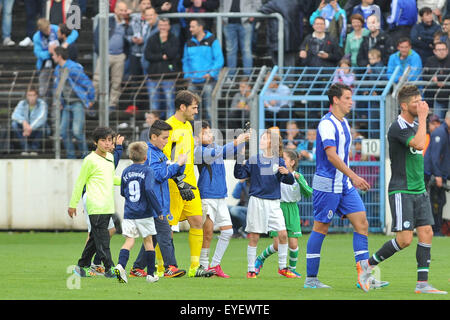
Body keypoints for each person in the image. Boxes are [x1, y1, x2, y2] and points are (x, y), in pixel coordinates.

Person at [367, 85, 447, 294]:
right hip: (402, 189)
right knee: (404, 240)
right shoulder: (398, 127)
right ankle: (367, 266)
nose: (420, 104)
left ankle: (422, 284)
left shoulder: (414, 125)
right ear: (403, 105)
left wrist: (420, 120)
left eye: (421, 100)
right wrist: (423, 118)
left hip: (419, 189)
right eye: (415, 102)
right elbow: (420, 145)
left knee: (427, 232)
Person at [304, 83, 376, 292]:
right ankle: (311, 279)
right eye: (347, 98)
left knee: (362, 223)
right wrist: (354, 176)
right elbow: (331, 155)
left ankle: (365, 277)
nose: (350, 102)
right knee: (321, 228)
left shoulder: (344, 123)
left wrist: (349, 178)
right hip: (327, 184)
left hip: (343, 183)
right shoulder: (326, 124)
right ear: (335, 100)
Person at [163, 90, 215, 277]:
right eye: (194, 108)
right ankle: (163, 268)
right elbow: (165, 158)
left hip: (190, 184)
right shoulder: (167, 127)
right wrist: (177, 180)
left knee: (196, 221)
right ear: (182, 107)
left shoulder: (188, 127)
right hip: (173, 185)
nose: (196, 111)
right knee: (167, 228)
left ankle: (194, 268)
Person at [234, 127, 296, 279]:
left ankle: (282, 267)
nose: (260, 141)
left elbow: (289, 181)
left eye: (264, 138)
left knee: (282, 234)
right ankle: (251, 270)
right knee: (254, 236)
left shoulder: (279, 160)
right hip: (257, 202)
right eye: (261, 138)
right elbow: (239, 174)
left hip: (274, 203)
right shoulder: (254, 159)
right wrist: (239, 159)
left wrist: (287, 173)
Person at [129, 120, 187, 279]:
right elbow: (160, 175)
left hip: (159, 202)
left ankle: (137, 268)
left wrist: (179, 165)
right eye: (164, 138)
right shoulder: (150, 154)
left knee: (154, 236)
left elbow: (169, 171)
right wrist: (177, 164)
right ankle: (170, 267)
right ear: (153, 136)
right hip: (154, 203)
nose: (166, 141)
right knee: (165, 234)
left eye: (168, 138)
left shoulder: (160, 153)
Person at [195, 120, 250, 277]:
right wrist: (239, 139)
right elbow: (223, 150)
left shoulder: (216, 148)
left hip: (220, 197)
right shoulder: (199, 151)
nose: (210, 135)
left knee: (227, 232)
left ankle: (215, 265)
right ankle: (203, 266)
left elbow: (231, 151)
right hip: (207, 196)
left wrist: (244, 141)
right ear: (197, 138)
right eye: (205, 133)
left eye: (210, 132)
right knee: (208, 233)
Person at [69, 127, 120, 279]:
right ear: (95, 142)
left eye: (109, 140)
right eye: (103, 140)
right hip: (95, 205)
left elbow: (112, 179)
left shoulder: (110, 158)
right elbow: (80, 183)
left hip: (107, 205)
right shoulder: (89, 160)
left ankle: (80, 267)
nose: (106, 143)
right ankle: (109, 268)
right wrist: (73, 204)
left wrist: (127, 179)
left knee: (94, 239)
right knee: (103, 239)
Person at [254, 149, 313, 278]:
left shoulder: (298, 176)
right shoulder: (276, 174)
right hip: (277, 207)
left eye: (284, 159)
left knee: (293, 244)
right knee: (277, 245)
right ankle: (260, 259)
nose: (280, 161)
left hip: (292, 210)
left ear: (292, 162)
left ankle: (290, 270)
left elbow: (308, 192)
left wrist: (299, 180)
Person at [113, 141, 164, 284]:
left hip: (129, 212)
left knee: (129, 241)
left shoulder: (126, 171)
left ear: (130, 156)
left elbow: (123, 192)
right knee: (148, 241)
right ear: (145, 157)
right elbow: (149, 190)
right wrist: (158, 209)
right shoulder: (148, 170)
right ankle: (150, 275)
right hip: (144, 213)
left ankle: (120, 266)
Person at [52, 46, 95, 159]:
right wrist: (59, 101)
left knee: (77, 131)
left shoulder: (73, 68)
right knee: (63, 131)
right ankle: (71, 155)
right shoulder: (58, 69)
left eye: (54, 55)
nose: (52, 57)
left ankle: (86, 156)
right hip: (66, 104)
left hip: (77, 103)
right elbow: (57, 87)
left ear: (59, 56)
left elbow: (86, 82)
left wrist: (91, 99)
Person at [93, 0, 133, 112]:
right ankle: (91, 102)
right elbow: (97, 36)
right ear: (115, 10)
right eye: (121, 10)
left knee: (117, 82)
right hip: (106, 54)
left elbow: (130, 38)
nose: (123, 12)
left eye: (125, 10)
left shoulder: (128, 24)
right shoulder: (107, 20)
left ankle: (112, 104)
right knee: (97, 80)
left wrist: (125, 54)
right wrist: (101, 51)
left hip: (119, 56)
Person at [182, 18, 224, 121]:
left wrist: (211, 74)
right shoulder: (189, 42)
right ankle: (195, 135)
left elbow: (219, 59)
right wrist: (188, 76)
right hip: (193, 81)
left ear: (200, 27)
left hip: (208, 81)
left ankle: (211, 135)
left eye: (192, 26)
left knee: (209, 109)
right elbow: (185, 60)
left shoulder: (212, 40)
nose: (190, 29)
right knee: (192, 112)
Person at [33, 18, 79, 103]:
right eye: (45, 30)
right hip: (45, 63)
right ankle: (44, 110)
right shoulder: (36, 37)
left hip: (59, 61)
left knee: (57, 87)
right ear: (40, 29)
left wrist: (66, 43)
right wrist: (49, 52)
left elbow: (74, 33)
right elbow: (38, 53)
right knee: (43, 89)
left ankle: (56, 110)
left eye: (48, 28)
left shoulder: (55, 28)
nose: (48, 31)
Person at [144, 17, 180, 119]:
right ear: (158, 26)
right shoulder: (152, 38)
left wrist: (164, 42)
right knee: (154, 103)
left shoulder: (173, 38)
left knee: (169, 102)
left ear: (169, 26)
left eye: (165, 25)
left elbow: (172, 54)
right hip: (153, 75)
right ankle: (155, 127)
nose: (163, 27)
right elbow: (148, 55)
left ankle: (170, 126)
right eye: (161, 25)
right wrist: (162, 56)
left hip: (168, 76)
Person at [424, 111, 450, 237]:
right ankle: (435, 230)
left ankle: (436, 229)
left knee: (440, 201)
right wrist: (438, 175)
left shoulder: (446, 133)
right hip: (432, 174)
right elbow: (435, 157)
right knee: (436, 201)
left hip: (438, 173)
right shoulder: (440, 133)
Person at [220, 0, 261, 77]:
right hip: (228, 23)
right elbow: (221, 4)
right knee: (230, 51)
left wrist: (252, 15)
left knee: (246, 50)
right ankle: (231, 77)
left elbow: (257, 3)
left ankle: (247, 76)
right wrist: (223, 16)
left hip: (245, 22)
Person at [258, 0, 304, 67]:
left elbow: (262, 10)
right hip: (292, 39)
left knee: (277, 67)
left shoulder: (274, 3)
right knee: (289, 66)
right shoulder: (295, 2)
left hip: (277, 39)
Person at [11, 87, 48, 156]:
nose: (31, 97)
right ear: (26, 96)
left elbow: (42, 118)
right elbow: (14, 115)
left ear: (37, 96)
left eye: (33, 95)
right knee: (14, 124)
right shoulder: (22, 103)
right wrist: (24, 122)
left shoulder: (42, 103)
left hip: (35, 130)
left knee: (43, 125)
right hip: (25, 130)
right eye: (29, 95)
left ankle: (34, 148)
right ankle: (25, 148)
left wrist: (30, 127)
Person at [423, 42, 450, 120]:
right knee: (437, 121)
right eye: (439, 49)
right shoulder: (430, 60)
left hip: (448, 94)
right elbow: (424, 75)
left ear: (447, 50)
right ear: (434, 51)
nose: (441, 52)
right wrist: (432, 79)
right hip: (437, 97)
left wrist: (443, 81)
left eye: (443, 49)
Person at [128, 0, 152, 78]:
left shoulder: (154, 19)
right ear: (139, 5)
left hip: (148, 54)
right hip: (135, 53)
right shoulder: (133, 19)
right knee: (135, 79)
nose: (146, 5)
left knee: (148, 79)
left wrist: (144, 40)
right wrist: (132, 39)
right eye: (144, 3)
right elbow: (126, 34)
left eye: (148, 3)